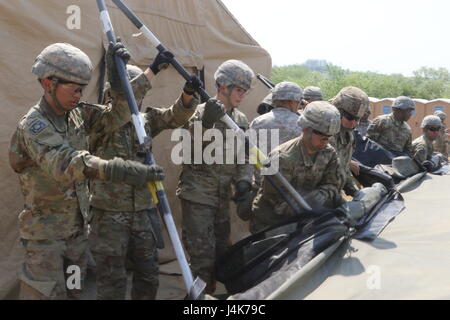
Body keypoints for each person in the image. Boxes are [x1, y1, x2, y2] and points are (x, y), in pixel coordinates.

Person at [8, 42, 166, 300]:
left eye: (82, 90)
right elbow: (65, 162)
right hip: (46, 238)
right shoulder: (34, 125)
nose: (79, 95)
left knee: (74, 291)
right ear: (49, 84)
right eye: (74, 89)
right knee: (46, 293)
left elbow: (118, 117)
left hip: (77, 234)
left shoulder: (78, 115)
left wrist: (119, 88)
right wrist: (116, 169)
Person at [88, 57, 202, 300]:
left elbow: (175, 117)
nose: (137, 99)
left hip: (142, 209)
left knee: (148, 272)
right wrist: (151, 71)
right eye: (133, 92)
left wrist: (187, 96)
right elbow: (120, 108)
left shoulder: (145, 121)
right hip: (109, 212)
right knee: (112, 277)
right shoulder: (98, 119)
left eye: (139, 94)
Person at [176, 59, 255, 294]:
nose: (242, 96)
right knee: (202, 258)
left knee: (222, 252)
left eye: (245, 91)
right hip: (198, 197)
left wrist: (243, 181)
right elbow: (185, 150)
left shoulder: (239, 120)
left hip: (221, 198)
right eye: (239, 90)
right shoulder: (199, 113)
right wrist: (207, 123)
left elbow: (244, 156)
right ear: (223, 87)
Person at [249, 101, 343, 234]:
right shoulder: (282, 158)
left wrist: (321, 195)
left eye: (329, 137)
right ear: (306, 129)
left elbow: (334, 186)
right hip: (272, 223)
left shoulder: (329, 153)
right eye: (322, 136)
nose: (326, 142)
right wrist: (308, 201)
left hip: (305, 220)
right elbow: (277, 204)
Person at [329, 86, 369, 197]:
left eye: (357, 119)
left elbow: (344, 169)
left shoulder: (348, 133)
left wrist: (356, 193)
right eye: (350, 118)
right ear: (338, 111)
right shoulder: (320, 130)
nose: (353, 123)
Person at [250, 81, 303, 153]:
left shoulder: (258, 121)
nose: (299, 105)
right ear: (291, 102)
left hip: (260, 163)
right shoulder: (301, 124)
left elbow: (248, 150)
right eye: (298, 102)